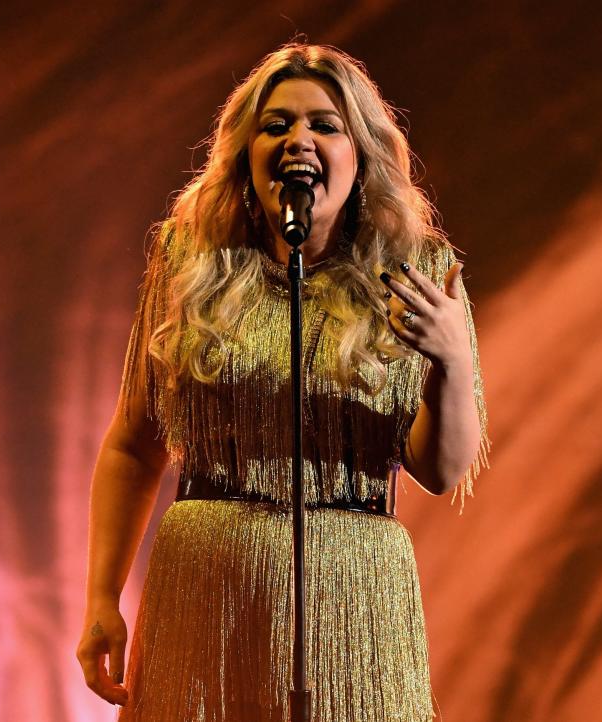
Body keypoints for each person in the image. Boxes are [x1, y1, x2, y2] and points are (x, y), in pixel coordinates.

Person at [75, 42, 490, 722]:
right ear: (245, 152)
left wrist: (451, 360)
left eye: (325, 125)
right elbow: (133, 443)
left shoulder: (420, 271)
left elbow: (441, 470)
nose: (299, 139)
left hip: (352, 597)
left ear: (360, 156)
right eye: (277, 125)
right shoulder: (190, 265)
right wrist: (101, 600)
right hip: (205, 588)